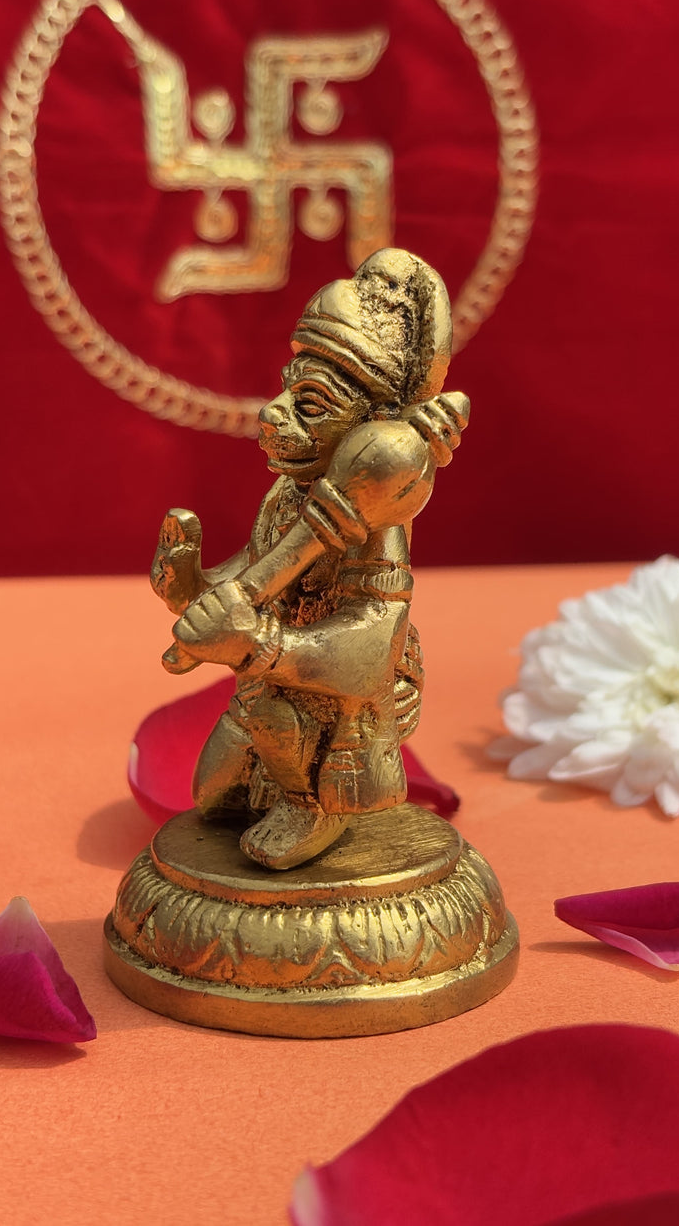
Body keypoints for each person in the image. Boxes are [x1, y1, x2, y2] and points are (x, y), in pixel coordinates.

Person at [150, 248, 466, 869]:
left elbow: (371, 649)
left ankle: (314, 805)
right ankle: (275, 784)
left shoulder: (378, 524)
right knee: (210, 798)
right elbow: (255, 574)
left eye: (312, 407)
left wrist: (258, 644)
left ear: (370, 436)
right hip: (264, 693)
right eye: (289, 393)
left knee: (279, 724)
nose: (274, 415)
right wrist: (192, 586)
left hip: (335, 717)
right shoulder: (293, 495)